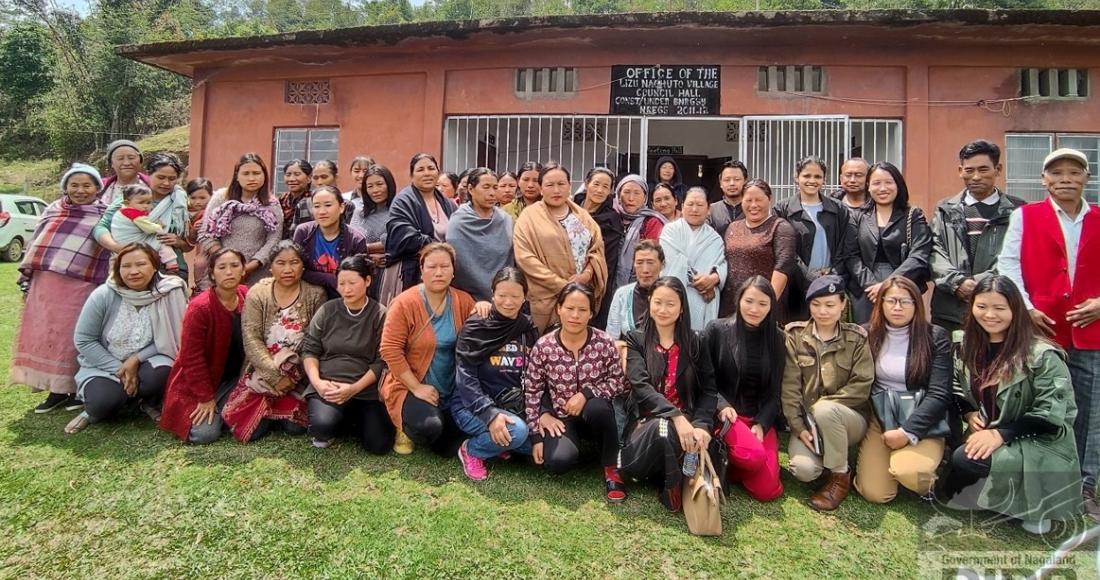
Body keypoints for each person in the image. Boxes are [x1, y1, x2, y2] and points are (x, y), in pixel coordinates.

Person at [998, 147, 1100, 522]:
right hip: (1041, 331)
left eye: (1075, 172)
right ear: (1045, 180)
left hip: (1092, 333)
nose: (1066, 179)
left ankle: (1083, 485)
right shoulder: (1026, 216)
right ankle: (1035, 482)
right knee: (1035, 406)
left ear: (1086, 178)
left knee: (1089, 413)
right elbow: (1008, 265)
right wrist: (1025, 308)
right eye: (1057, 174)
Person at [939, 276, 1082, 535]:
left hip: (1039, 441)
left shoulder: (1041, 355)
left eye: (999, 308)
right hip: (992, 432)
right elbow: (957, 388)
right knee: (949, 489)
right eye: (982, 306)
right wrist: (969, 412)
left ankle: (1038, 506)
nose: (990, 315)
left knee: (966, 459)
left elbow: (1051, 416)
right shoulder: (965, 344)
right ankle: (1002, 496)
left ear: (1015, 309)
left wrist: (1001, 434)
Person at [11, 164, 111, 413]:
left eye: (87, 185)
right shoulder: (53, 210)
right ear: (65, 187)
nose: (80, 190)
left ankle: (76, 388)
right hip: (46, 284)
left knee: (75, 336)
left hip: (83, 283)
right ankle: (54, 391)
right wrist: (28, 275)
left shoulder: (105, 214)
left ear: (98, 188)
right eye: (74, 185)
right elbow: (37, 243)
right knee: (47, 333)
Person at [65, 244, 189, 434]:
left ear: (155, 265)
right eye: (126, 266)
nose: (133, 272)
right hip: (104, 364)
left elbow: (172, 335)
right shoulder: (104, 295)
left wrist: (135, 360)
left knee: (161, 373)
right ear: (118, 269)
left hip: (149, 359)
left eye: (141, 264)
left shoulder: (168, 291)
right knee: (102, 403)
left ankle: (147, 402)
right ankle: (91, 412)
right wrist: (119, 369)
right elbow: (84, 340)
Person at [619, 276, 718, 512]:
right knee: (661, 428)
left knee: (687, 435)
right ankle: (674, 486)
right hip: (644, 431)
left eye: (671, 304)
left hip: (686, 428)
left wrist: (702, 424)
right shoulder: (636, 340)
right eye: (658, 302)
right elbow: (641, 387)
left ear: (682, 307)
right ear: (650, 303)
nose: (663, 310)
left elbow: (709, 390)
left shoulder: (696, 342)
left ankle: (674, 474)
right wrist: (677, 417)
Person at [525, 283, 629, 501]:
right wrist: (536, 435)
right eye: (569, 308)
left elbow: (620, 382)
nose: (575, 315)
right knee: (557, 463)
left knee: (598, 407)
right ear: (559, 309)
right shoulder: (544, 346)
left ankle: (611, 466)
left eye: (582, 310)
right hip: (562, 417)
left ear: (591, 313)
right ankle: (574, 447)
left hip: (597, 414)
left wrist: (587, 394)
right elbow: (532, 390)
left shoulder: (603, 342)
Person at [853, 276, 952, 503]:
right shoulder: (866, 334)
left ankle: (935, 471)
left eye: (905, 302)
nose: (897, 307)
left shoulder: (935, 337)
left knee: (909, 473)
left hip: (920, 416)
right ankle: (894, 463)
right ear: (881, 303)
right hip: (882, 416)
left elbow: (940, 393)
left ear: (916, 304)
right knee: (875, 493)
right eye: (891, 301)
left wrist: (907, 432)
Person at [781, 275, 873, 511]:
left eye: (830, 305)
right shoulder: (795, 336)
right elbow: (790, 388)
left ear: (843, 305)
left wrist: (822, 409)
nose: (823, 311)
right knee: (804, 471)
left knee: (825, 411)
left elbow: (861, 385)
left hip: (849, 419)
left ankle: (840, 476)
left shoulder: (857, 339)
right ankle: (827, 459)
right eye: (816, 304)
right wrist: (799, 427)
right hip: (808, 424)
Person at [220, 242, 328, 442]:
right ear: (270, 267)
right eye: (280, 263)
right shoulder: (258, 293)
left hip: (297, 374)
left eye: (294, 263)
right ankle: (267, 410)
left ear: (302, 267)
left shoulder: (315, 294)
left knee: (294, 428)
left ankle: (279, 409)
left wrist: (292, 376)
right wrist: (275, 375)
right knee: (254, 431)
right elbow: (251, 338)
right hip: (261, 370)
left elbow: (314, 341)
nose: (288, 269)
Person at [379, 243, 477, 455]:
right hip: (410, 385)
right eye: (432, 267)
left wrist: (484, 306)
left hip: (450, 388)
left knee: (449, 448)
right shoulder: (405, 303)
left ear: (453, 271)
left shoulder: (463, 301)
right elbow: (389, 349)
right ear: (422, 270)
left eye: (445, 266)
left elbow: (478, 335)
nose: (439, 272)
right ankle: (402, 425)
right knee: (429, 428)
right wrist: (416, 387)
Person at [704, 276, 786, 502]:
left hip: (758, 416)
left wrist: (762, 423)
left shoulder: (777, 338)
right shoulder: (717, 330)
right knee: (752, 457)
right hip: (727, 415)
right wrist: (721, 406)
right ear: (739, 299)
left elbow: (774, 392)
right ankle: (737, 458)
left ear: (771, 306)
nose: (754, 309)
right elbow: (705, 380)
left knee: (768, 491)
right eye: (749, 301)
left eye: (762, 304)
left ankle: (728, 466)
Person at [453, 268, 539, 481]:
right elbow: (465, 377)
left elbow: (535, 374)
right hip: (471, 406)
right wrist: (490, 415)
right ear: (492, 295)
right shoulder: (476, 325)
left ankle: (498, 442)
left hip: (511, 405)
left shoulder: (527, 327)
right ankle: (471, 450)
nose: (508, 302)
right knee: (517, 432)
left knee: (542, 446)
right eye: (502, 295)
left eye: (515, 296)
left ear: (524, 297)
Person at [930, 140, 1025, 333]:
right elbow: (934, 250)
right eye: (969, 170)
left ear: (997, 170)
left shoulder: (1017, 211)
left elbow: (1018, 256)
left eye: (983, 170)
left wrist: (983, 284)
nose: (976, 177)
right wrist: (957, 282)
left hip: (998, 310)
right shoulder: (945, 209)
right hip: (950, 310)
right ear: (960, 170)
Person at [302, 255, 393, 452]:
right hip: (329, 384)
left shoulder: (380, 313)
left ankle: (351, 416)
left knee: (379, 445)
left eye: (352, 283)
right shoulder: (327, 310)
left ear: (367, 281)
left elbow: (382, 360)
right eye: (341, 283)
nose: (346, 289)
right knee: (322, 428)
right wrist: (318, 382)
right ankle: (339, 417)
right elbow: (310, 350)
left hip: (365, 388)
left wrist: (354, 389)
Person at [160, 248, 249, 444]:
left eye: (235, 266)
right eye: (222, 267)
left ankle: (224, 408)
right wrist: (205, 397)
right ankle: (215, 407)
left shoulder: (246, 295)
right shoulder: (200, 307)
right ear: (212, 273)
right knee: (204, 435)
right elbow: (191, 358)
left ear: (243, 270)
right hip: (201, 382)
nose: (229, 272)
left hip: (233, 380)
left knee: (248, 420)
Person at [513, 163, 607, 331]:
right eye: (550, 185)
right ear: (541, 188)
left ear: (569, 186)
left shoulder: (582, 215)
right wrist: (562, 285)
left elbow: (597, 250)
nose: (556, 190)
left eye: (561, 184)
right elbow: (525, 258)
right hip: (545, 297)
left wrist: (586, 275)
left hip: (579, 297)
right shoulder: (529, 217)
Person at [846, 162, 932, 324]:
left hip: (903, 283)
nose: (883, 188)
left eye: (888, 182)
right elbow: (851, 256)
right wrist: (872, 285)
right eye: (876, 183)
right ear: (868, 187)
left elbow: (919, 255)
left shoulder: (913, 215)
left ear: (898, 185)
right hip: (866, 289)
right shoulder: (858, 216)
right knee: (866, 338)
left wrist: (888, 285)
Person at [774, 157, 852, 320]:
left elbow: (845, 246)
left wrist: (832, 274)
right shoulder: (782, 209)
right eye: (806, 176)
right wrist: (809, 277)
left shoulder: (838, 209)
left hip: (830, 284)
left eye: (817, 177)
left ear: (824, 179)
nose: (812, 181)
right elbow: (785, 251)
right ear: (797, 177)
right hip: (795, 287)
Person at [95, 152, 192, 278]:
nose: (166, 183)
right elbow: (100, 228)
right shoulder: (131, 198)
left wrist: (178, 242)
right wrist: (117, 247)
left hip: (172, 269)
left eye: (172, 178)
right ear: (149, 174)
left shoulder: (181, 203)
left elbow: (189, 245)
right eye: (161, 177)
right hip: (134, 267)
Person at [200, 153, 283, 287]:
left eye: (256, 173)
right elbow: (205, 233)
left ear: (264, 176)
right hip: (222, 272)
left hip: (257, 274)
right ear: (237, 176)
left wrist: (249, 267)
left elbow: (274, 239)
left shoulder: (272, 204)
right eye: (246, 173)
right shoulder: (221, 198)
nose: (251, 178)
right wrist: (228, 264)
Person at [719, 179, 797, 320]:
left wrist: (767, 305)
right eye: (748, 200)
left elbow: (783, 267)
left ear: (770, 199)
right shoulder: (733, 227)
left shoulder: (780, 227)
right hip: (731, 304)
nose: (753, 205)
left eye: (759, 200)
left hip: (762, 307)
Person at [386, 153, 457, 291]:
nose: (427, 173)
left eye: (431, 168)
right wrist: (441, 248)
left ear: (438, 172)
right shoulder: (403, 201)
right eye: (420, 170)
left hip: (444, 270)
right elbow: (403, 236)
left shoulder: (448, 203)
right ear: (411, 176)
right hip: (414, 272)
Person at [661, 187, 727, 331]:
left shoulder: (714, 238)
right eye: (690, 204)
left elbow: (721, 264)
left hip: (704, 302)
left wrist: (714, 279)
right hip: (675, 295)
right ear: (682, 206)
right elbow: (674, 261)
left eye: (700, 205)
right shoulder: (670, 230)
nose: (694, 209)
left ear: (709, 209)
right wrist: (703, 284)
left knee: (700, 345)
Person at [449, 168, 514, 301]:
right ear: (471, 189)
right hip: (466, 297)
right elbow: (460, 264)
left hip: (503, 297)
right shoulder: (459, 221)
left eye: (495, 187)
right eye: (486, 187)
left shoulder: (505, 219)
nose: (492, 193)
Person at [292, 186, 367, 299]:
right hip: (307, 295)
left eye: (328, 205)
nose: (322, 211)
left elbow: (358, 277)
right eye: (316, 206)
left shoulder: (356, 239)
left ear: (341, 207)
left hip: (343, 298)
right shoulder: (303, 232)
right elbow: (297, 269)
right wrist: (329, 278)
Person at [574, 167, 623, 328]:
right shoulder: (570, 208)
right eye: (596, 184)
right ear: (586, 183)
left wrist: (588, 274)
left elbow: (606, 257)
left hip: (593, 279)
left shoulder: (611, 219)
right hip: (563, 273)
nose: (600, 190)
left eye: (606, 187)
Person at [349, 164, 397, 302]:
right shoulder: (359, 213)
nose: (375, 190)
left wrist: (366, 248)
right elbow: (352, 243)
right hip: (363, 274)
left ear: (389, 184)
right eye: (370, 186)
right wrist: (369, 256)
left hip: (389, 273)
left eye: (379, 184)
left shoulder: (399, 209)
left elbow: (394, 240)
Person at [110, 184, 180, 273]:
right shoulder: (134, 214)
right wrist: (159, 227)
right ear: (127, 203)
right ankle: (171, 264)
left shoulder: (121, 211)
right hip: (129, 242)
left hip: (121, 242)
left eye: (148, 202)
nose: (146, 206)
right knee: (162, 242)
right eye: (141, 202)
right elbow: (149, 228)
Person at [613, 174, 667, 289]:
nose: (631, 198)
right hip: (609, 284)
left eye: (637, 193)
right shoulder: (611, 218)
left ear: (645, 197)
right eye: (626, 192)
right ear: (618, 194)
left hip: (641, 286)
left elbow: (651, 258)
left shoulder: (651, 222)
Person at [606, 240, 664, 341]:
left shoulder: (671, 295)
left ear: (662, 265)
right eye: (639, 263)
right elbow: (611, 339)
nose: (645, 270)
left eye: (650, 263)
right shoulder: (622, 295)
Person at [185, 178, 213, 293]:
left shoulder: (216, 210)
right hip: (203, 253)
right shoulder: (188, 214)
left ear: (211, 196)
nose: (197, 202)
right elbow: (191, 241)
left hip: (218, 249)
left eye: (202, 198)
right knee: (199, 265)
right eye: (193, 198)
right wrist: (194, 230)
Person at [99, 139, 146, 205]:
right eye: (120, 158)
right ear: (112, 163)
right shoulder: (99, 187)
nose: (126, 163)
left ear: (140, 161)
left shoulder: (154, 185)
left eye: (131, 158)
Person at [707, 160, 748, 237]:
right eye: (727, 180)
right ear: (721, 183)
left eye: (737, 179)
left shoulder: (753, 209)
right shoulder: (711, 210)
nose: (732, 183)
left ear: (745, 181)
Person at [278, 159, 314, 238]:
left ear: (309, 178)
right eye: (288, 175)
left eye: (297, 174)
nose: (291, 179)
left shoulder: (314, 201)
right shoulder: (280, 200)